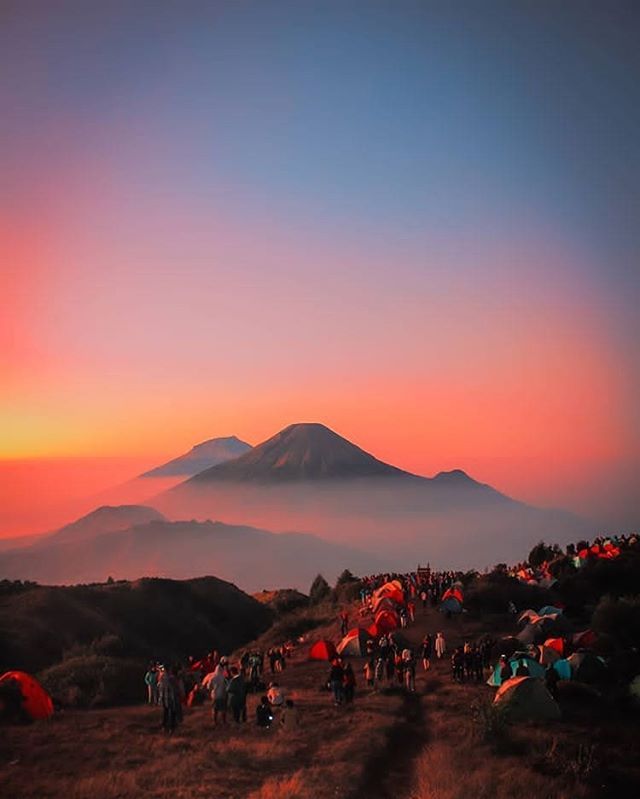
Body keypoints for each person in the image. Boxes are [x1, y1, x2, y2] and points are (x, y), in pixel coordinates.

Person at [157, 665, 180, 734]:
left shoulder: (161, 678)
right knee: (172, 713)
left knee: (165, 712)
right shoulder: (172, 679)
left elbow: (159, 688)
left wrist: (160, 698)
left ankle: (164, 726)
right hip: (171, 698)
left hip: (164, 698)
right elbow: (174, 689)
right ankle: (171, 728)